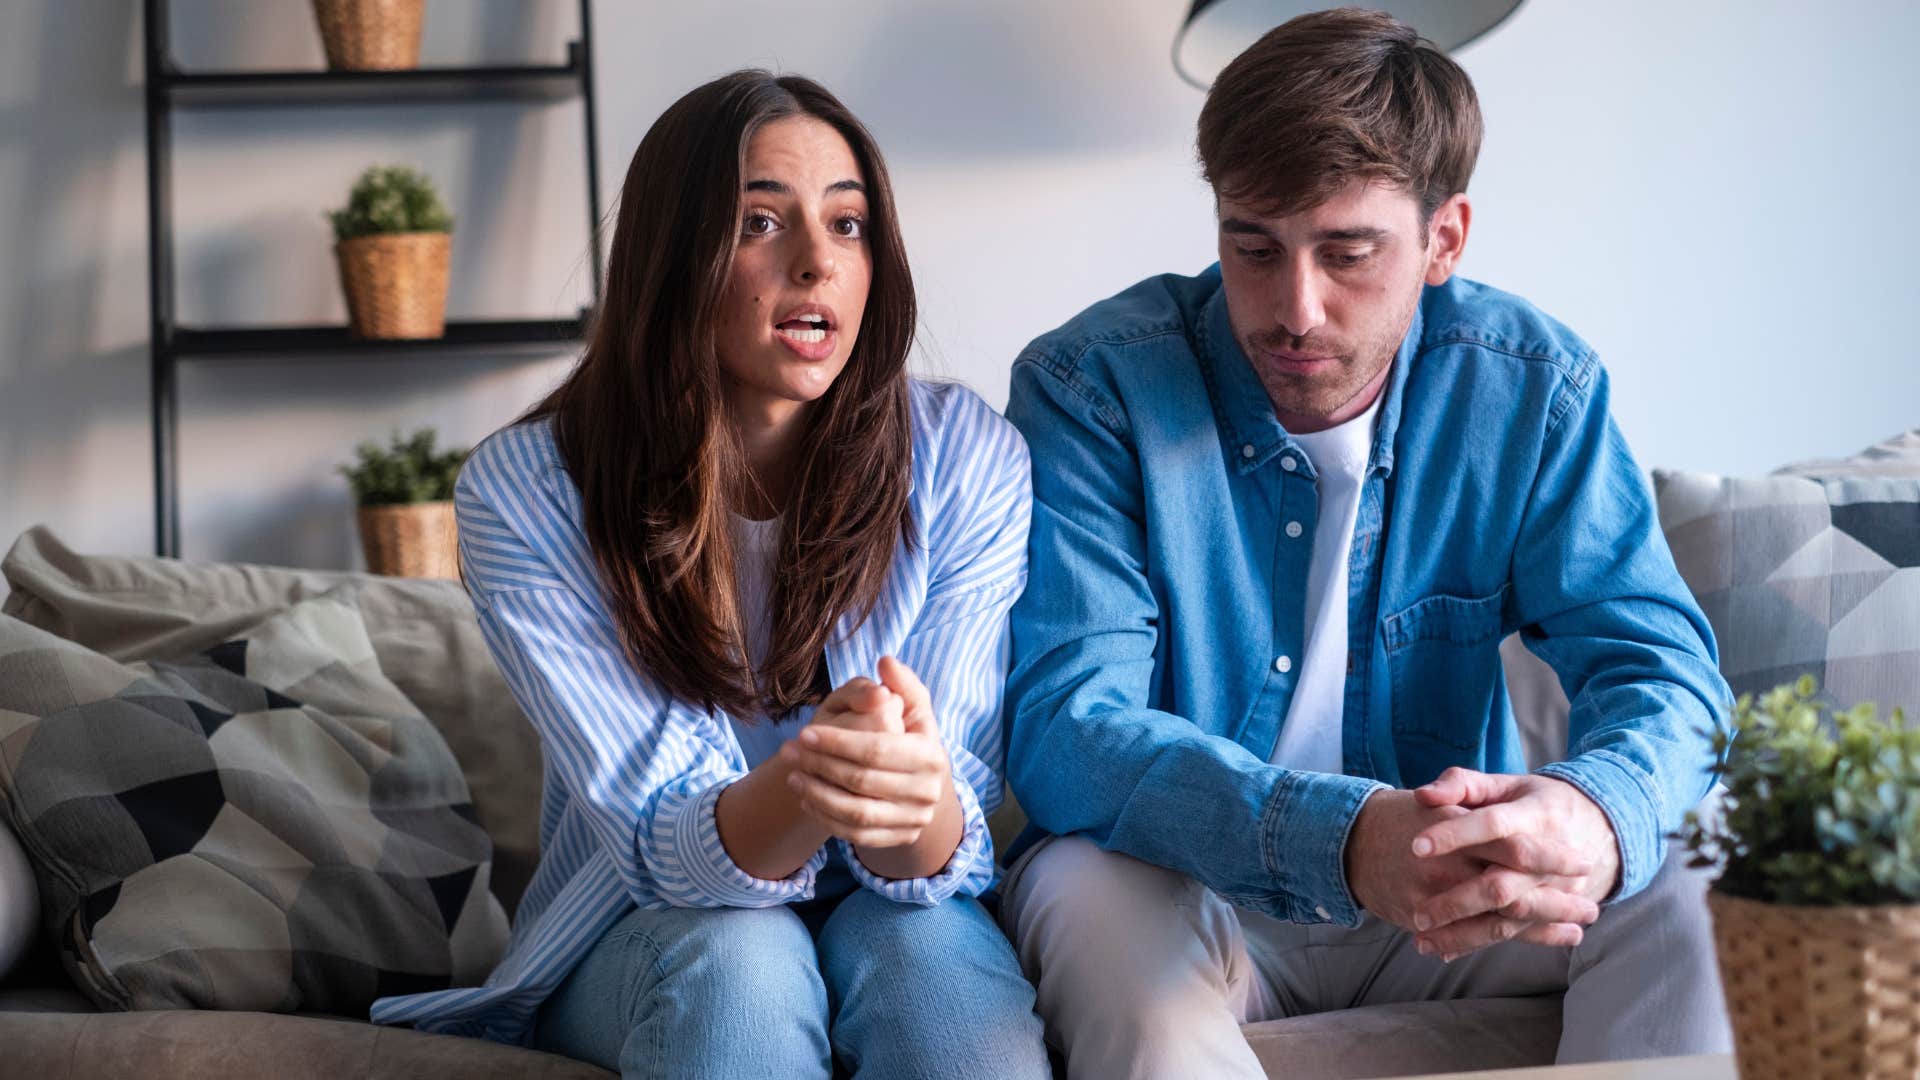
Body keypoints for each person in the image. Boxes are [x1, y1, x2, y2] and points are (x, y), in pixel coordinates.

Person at [996, 9, 1735, 1076]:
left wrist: (1591, 814)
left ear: (1444, 241)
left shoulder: (1527, 387)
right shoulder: (1095, 388)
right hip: (1192, 889)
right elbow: (1069, 728)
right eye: (1253, 247)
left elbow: (1661, 667)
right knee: (1079, 887)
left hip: (1451, 891)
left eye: (1348, 254)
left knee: (1708, 845)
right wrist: (1339, 841)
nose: (1295, 309)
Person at [370, 70, 1049, 1080]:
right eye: (760, 223)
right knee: (742, 967)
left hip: (895, 906)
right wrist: (826, 776)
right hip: (652, 921)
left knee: (938, 983)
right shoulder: (530, 488)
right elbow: (661, 848)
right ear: (673, 255)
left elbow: (938, 849)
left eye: (850, 225)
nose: (818, 262)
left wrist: (912, 805)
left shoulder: (967, 461)